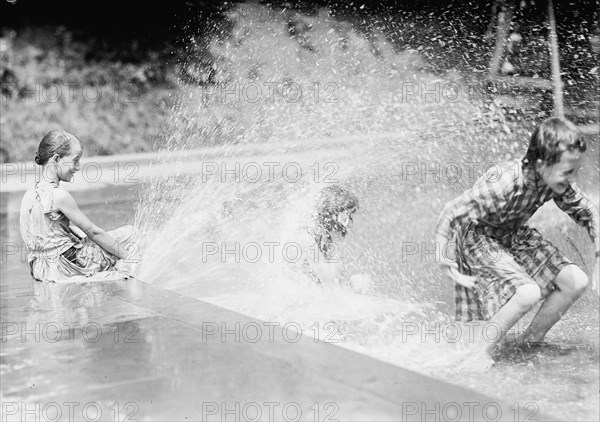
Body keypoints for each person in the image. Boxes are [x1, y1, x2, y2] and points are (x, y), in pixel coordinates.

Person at [435, 116, 599, 356]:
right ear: (542, 165)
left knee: (576, 281)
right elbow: (451, 212)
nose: (573, 179)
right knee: (527, 292)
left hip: (513, 234)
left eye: (575, 171)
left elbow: (591, 214)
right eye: (567, 172)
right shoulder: (503, 183)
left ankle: (529, 342)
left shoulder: (554, 182)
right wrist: (442, 254)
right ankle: (476, 353)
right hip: (478, 237)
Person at [20, 130, 136, 283]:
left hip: (41, 269)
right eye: (75, 161)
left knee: (101, 242)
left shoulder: (29, 193)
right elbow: (94, 232)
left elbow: (49, 233)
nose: (77, 167)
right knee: (131, 234)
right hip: (66, 267)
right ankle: (129, 272)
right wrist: (130, 257)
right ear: (56, 159)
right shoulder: (59, 196)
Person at [299, 184, 372, 292]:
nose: (349, 223)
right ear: (332, 215)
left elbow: (328, 286)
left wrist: (349, 285)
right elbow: (330, 282)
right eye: (346, 216)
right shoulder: (305, 237)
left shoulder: (321, 238)